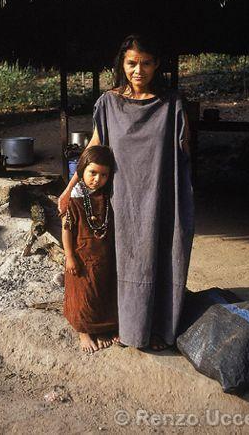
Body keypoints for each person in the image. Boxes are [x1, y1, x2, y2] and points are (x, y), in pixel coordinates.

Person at [59, 34, 194, 351]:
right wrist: (69, 188)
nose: (138, 70)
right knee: (114, 263)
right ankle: (119, 326)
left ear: (156, 65)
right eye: (132, 63)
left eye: (146, 63)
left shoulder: (171, 104)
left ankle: (158, 328)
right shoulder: (109, 104)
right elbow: (94, 148)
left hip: (159, 195)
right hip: (118, 201)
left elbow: (183, 151)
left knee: (161, 256)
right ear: (122, 63)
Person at [62, 145, 118, 354]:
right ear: (82, 170)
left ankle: (102, 328)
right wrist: (69, 256)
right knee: (83, 295)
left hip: (103, 255)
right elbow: (66, 230)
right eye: (92, 173)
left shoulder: (106, 196)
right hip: (81, 256)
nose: (97, 179)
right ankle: (83, 331)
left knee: (102, 291)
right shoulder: (75, 198)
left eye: (104, 174)